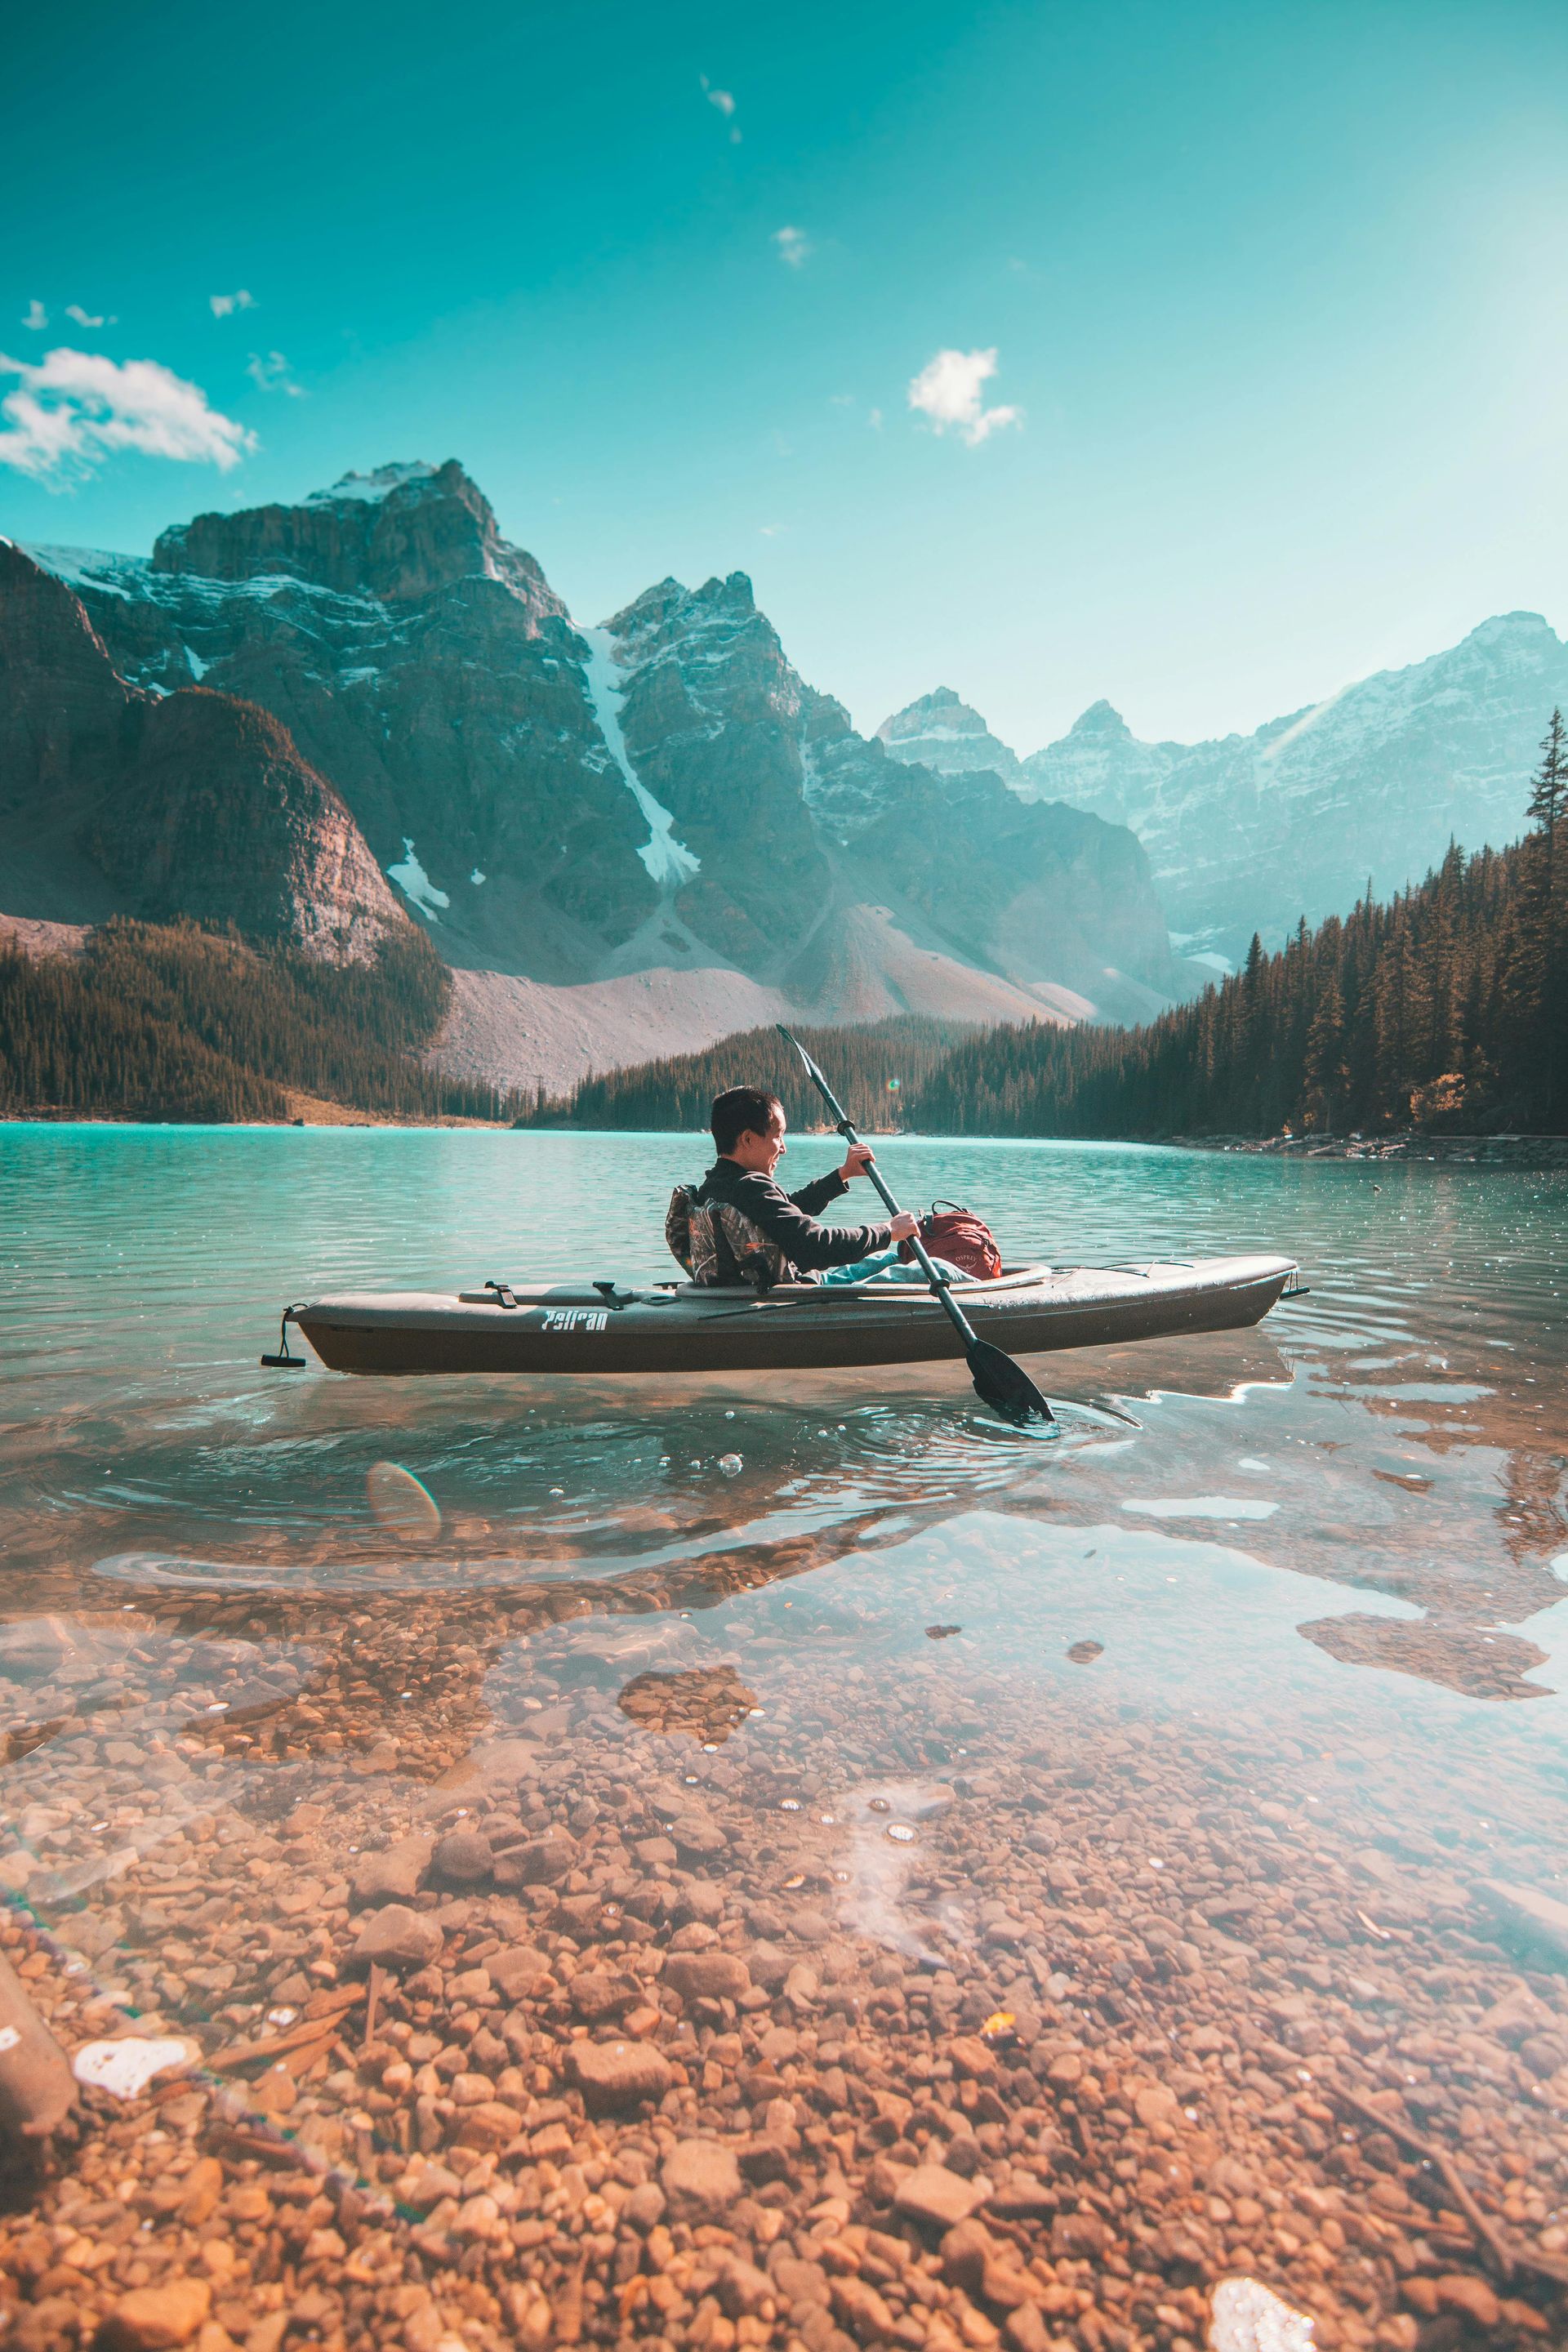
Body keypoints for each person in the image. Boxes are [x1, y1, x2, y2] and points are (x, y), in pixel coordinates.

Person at [674, 1085, 918, 1289]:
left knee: (889, 1258)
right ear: (748, 1139)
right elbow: (816, 1245)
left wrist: (843, 1175)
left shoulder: (715, 1186)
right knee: (925, 1266)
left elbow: (782, 1214)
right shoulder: (751, 1187)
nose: (783, 1148)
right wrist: (887, 1231)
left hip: (745, 1293)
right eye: (778, 1136)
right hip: (798, 1295)